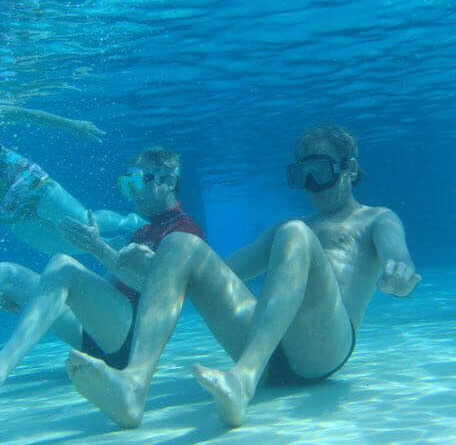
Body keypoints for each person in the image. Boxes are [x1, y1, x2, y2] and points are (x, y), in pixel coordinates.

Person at [65, 125, 421, 429]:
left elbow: (398, 258)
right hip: (268, 347)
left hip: (324, 349)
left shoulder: (377, 218)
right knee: (180, 243)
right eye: (302, 175)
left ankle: (243, 379)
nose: (312, 185)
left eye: (320, 171)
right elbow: (217, 271)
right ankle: (133, 385)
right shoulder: (289, 230)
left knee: (294, 232)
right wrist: (158, 268)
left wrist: (400, 277)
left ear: (350, 168)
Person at [0, 147, 203, 387]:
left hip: (133, 344)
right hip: (98, 333)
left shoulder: (185, 232)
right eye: (125, 184)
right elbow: (110, 285)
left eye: (137, 181)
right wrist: (44, 300)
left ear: (169, 181)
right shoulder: (142, 232)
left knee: (63, 263)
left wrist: (98, 248)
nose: (132, 193)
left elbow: (163, 296)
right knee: (6, 273)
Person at [1, 104, 146, 255]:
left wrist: (71, 124)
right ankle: (113, 246)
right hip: (6, 209)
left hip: (27, 182)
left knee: (84, 221)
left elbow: (26, 114)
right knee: (58, 248)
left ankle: (134, 223)